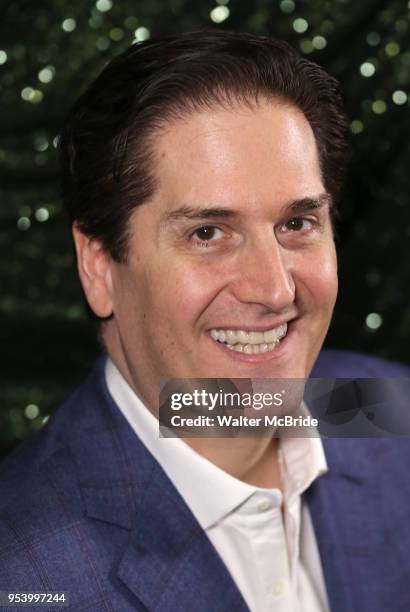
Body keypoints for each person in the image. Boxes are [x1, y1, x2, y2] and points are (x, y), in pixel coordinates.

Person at [0, 30, 409, 612]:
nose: (274, 289)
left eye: (297, 224)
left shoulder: (392, 410)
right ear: (99, 267)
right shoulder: (23, 574)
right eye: (208, 233)